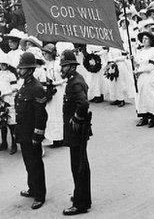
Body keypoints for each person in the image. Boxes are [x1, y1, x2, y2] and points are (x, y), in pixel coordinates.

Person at [60, 49, 92, 216]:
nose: (62, 69)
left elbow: (84, 104)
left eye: (64, 66)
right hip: (77, 129)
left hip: (77, 130)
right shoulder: (73, 79)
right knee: (80, 164)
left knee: (78, 166)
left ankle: (80, 204)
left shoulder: (75, 82)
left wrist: (76, 119)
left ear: (72, 66)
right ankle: (83, 197)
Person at [15, 52, 48, 210]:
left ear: (29, 70)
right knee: (28, 162)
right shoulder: (25, 85)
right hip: (23, 131)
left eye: (22, 68)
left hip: (32, 133)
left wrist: (37, 134)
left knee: (36, 163)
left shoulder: (36, 88)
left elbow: (41, 115)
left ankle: (40, 195)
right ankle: (33, 188)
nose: (19, 71)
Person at [134, 31, 154, 128]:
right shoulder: (140, 51)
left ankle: (152, 118)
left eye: (146, 38)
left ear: (151, 40)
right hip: (141, 78)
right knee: (142, 96)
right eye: (143, 39)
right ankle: (144, 117)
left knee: (150, 96)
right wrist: (133, 60)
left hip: (149, 77)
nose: (144, 40)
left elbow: (151, 66)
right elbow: (138, 63)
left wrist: (139, 71)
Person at [0, 53, 19, 154]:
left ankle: (14, 144)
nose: (1, 66)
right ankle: (4, 143)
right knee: (2, 123)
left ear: (7, 64)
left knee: (11, 124)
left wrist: (4, 94)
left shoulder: (11, 75)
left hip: (9, 101)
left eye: (4, 64)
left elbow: (14, 88)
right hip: (1, 102)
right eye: (0, 64)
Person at [42, 44, 65, 148]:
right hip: (51, 91)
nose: (44, 55)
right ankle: (54, 138)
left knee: (58, 113)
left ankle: (60, 138)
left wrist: (54, 83)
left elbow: (64, 78)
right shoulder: (46, 64)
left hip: (59, 91)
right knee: (51, 114)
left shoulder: (58, 64)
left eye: (46, 53)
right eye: (44, 53)